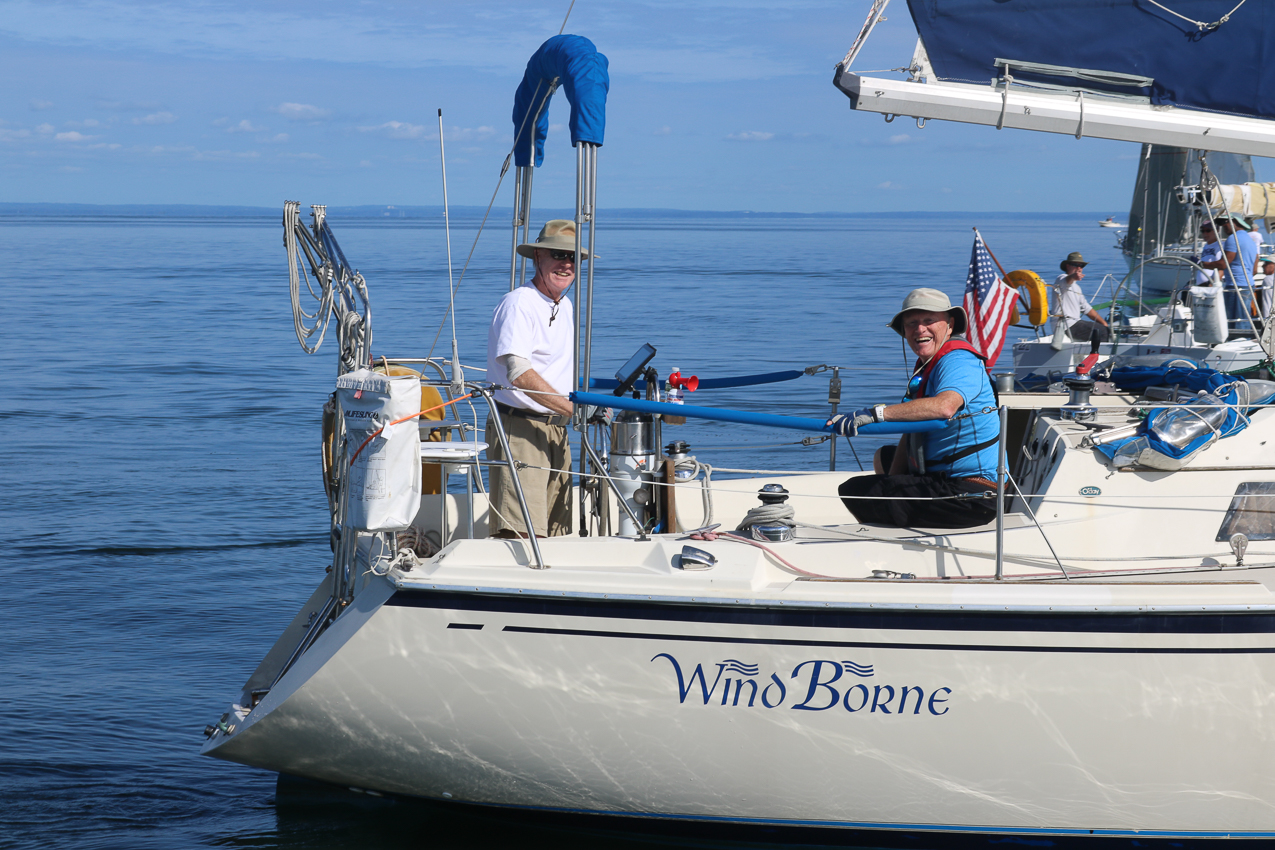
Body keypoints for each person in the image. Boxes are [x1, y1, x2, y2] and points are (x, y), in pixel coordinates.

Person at [829, 288, 1001, 529]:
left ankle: (890, 544)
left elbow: (945, 406)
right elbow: (912, 431)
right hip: (942, 478)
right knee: (885, 457)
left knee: (855, 490)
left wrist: (874, 414)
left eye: (929, 320)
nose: (920, 329)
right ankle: (896, 525)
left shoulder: (959, 360)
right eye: (912, 323)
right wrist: (893, 482)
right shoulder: (930, 363)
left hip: (974, 494)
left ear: (950, 325)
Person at [485, 220, 583, 538]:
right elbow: (519, 372)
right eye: (558, 254)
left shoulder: (564, 305)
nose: (566, 264)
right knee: (522, 531)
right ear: (538, 256)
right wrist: (576, 408)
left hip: (556, 427)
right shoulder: (518, 304)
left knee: (557, 529)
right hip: (520, 429)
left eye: (573, 257)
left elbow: (556, 368)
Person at [1202, 214, 1259, 335]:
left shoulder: (1233, 239)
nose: (1223, 226)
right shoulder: (1250, 240)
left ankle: (1239, 345)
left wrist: (1203, 264)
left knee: (1234, 322)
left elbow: (1223, 264)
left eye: (1225, 223)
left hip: (1236, 286)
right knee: (1243, 320)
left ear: (1234, 222)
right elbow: (1255, 270)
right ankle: (1245, 343)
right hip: (1248, 285)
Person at [1053, 251, 1109, 343]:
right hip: (1065, 325)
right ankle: (1101, 356)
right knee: (1102, 331)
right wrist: (1074, 276)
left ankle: (1095, 353)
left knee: (1104, 329)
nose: (1079, 268)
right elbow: (1068, 279)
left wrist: (1104, 323)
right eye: (1075, 264)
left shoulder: (1077, 288)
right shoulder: (1061, 279)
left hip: (1073, 324)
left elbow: (1087, 309)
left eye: (1081, 266)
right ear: (1068, 266)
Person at [1195, 220, 1223, 286]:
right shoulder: (1206, 246)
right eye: (1202, 230)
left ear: (1217, 230)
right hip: (1202, 286)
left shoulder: (1220, 246)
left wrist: (1211, 285)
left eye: (1208, 230)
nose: (1205, 233)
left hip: (1211, 286)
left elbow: (1221, 268)